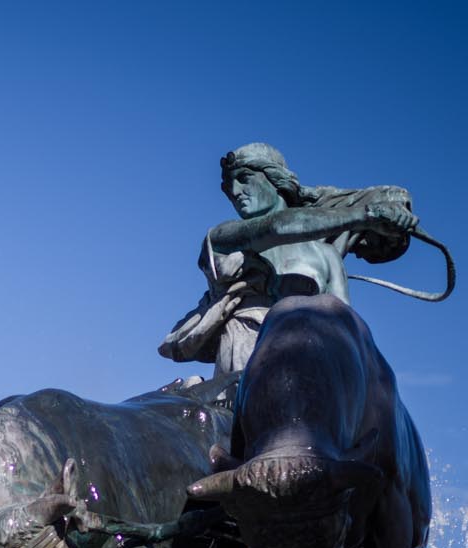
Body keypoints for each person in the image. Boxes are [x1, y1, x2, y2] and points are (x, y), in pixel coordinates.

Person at [160, 143, 420, 378]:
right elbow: (276, 227)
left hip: (310, 360)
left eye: (244, 179)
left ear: (276, 181)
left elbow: (344, 326)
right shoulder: (223, 238)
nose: (235, 192)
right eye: (229, 187)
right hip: (245, 355)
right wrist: (367, 214)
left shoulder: (325, 255)